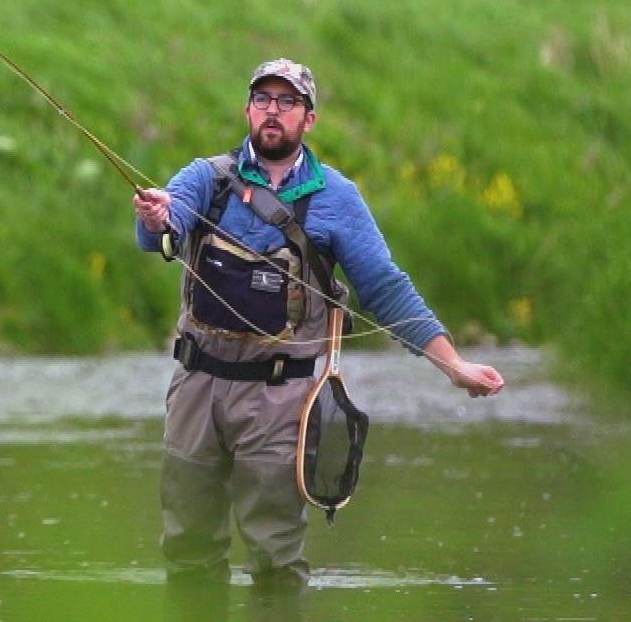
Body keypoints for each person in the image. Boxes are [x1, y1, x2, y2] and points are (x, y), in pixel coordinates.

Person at [133, 58, 505, 586]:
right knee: (187, 550)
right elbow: (161, 230)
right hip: (196, 387)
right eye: (263, 99)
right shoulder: (204, 179)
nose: (273, 111)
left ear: (309, 119)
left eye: (288, 102)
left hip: (281, 399)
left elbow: (386, 290)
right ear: (247, 110)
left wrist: (454, 366)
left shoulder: (337, 198)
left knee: (275, 556)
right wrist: (155, 215)